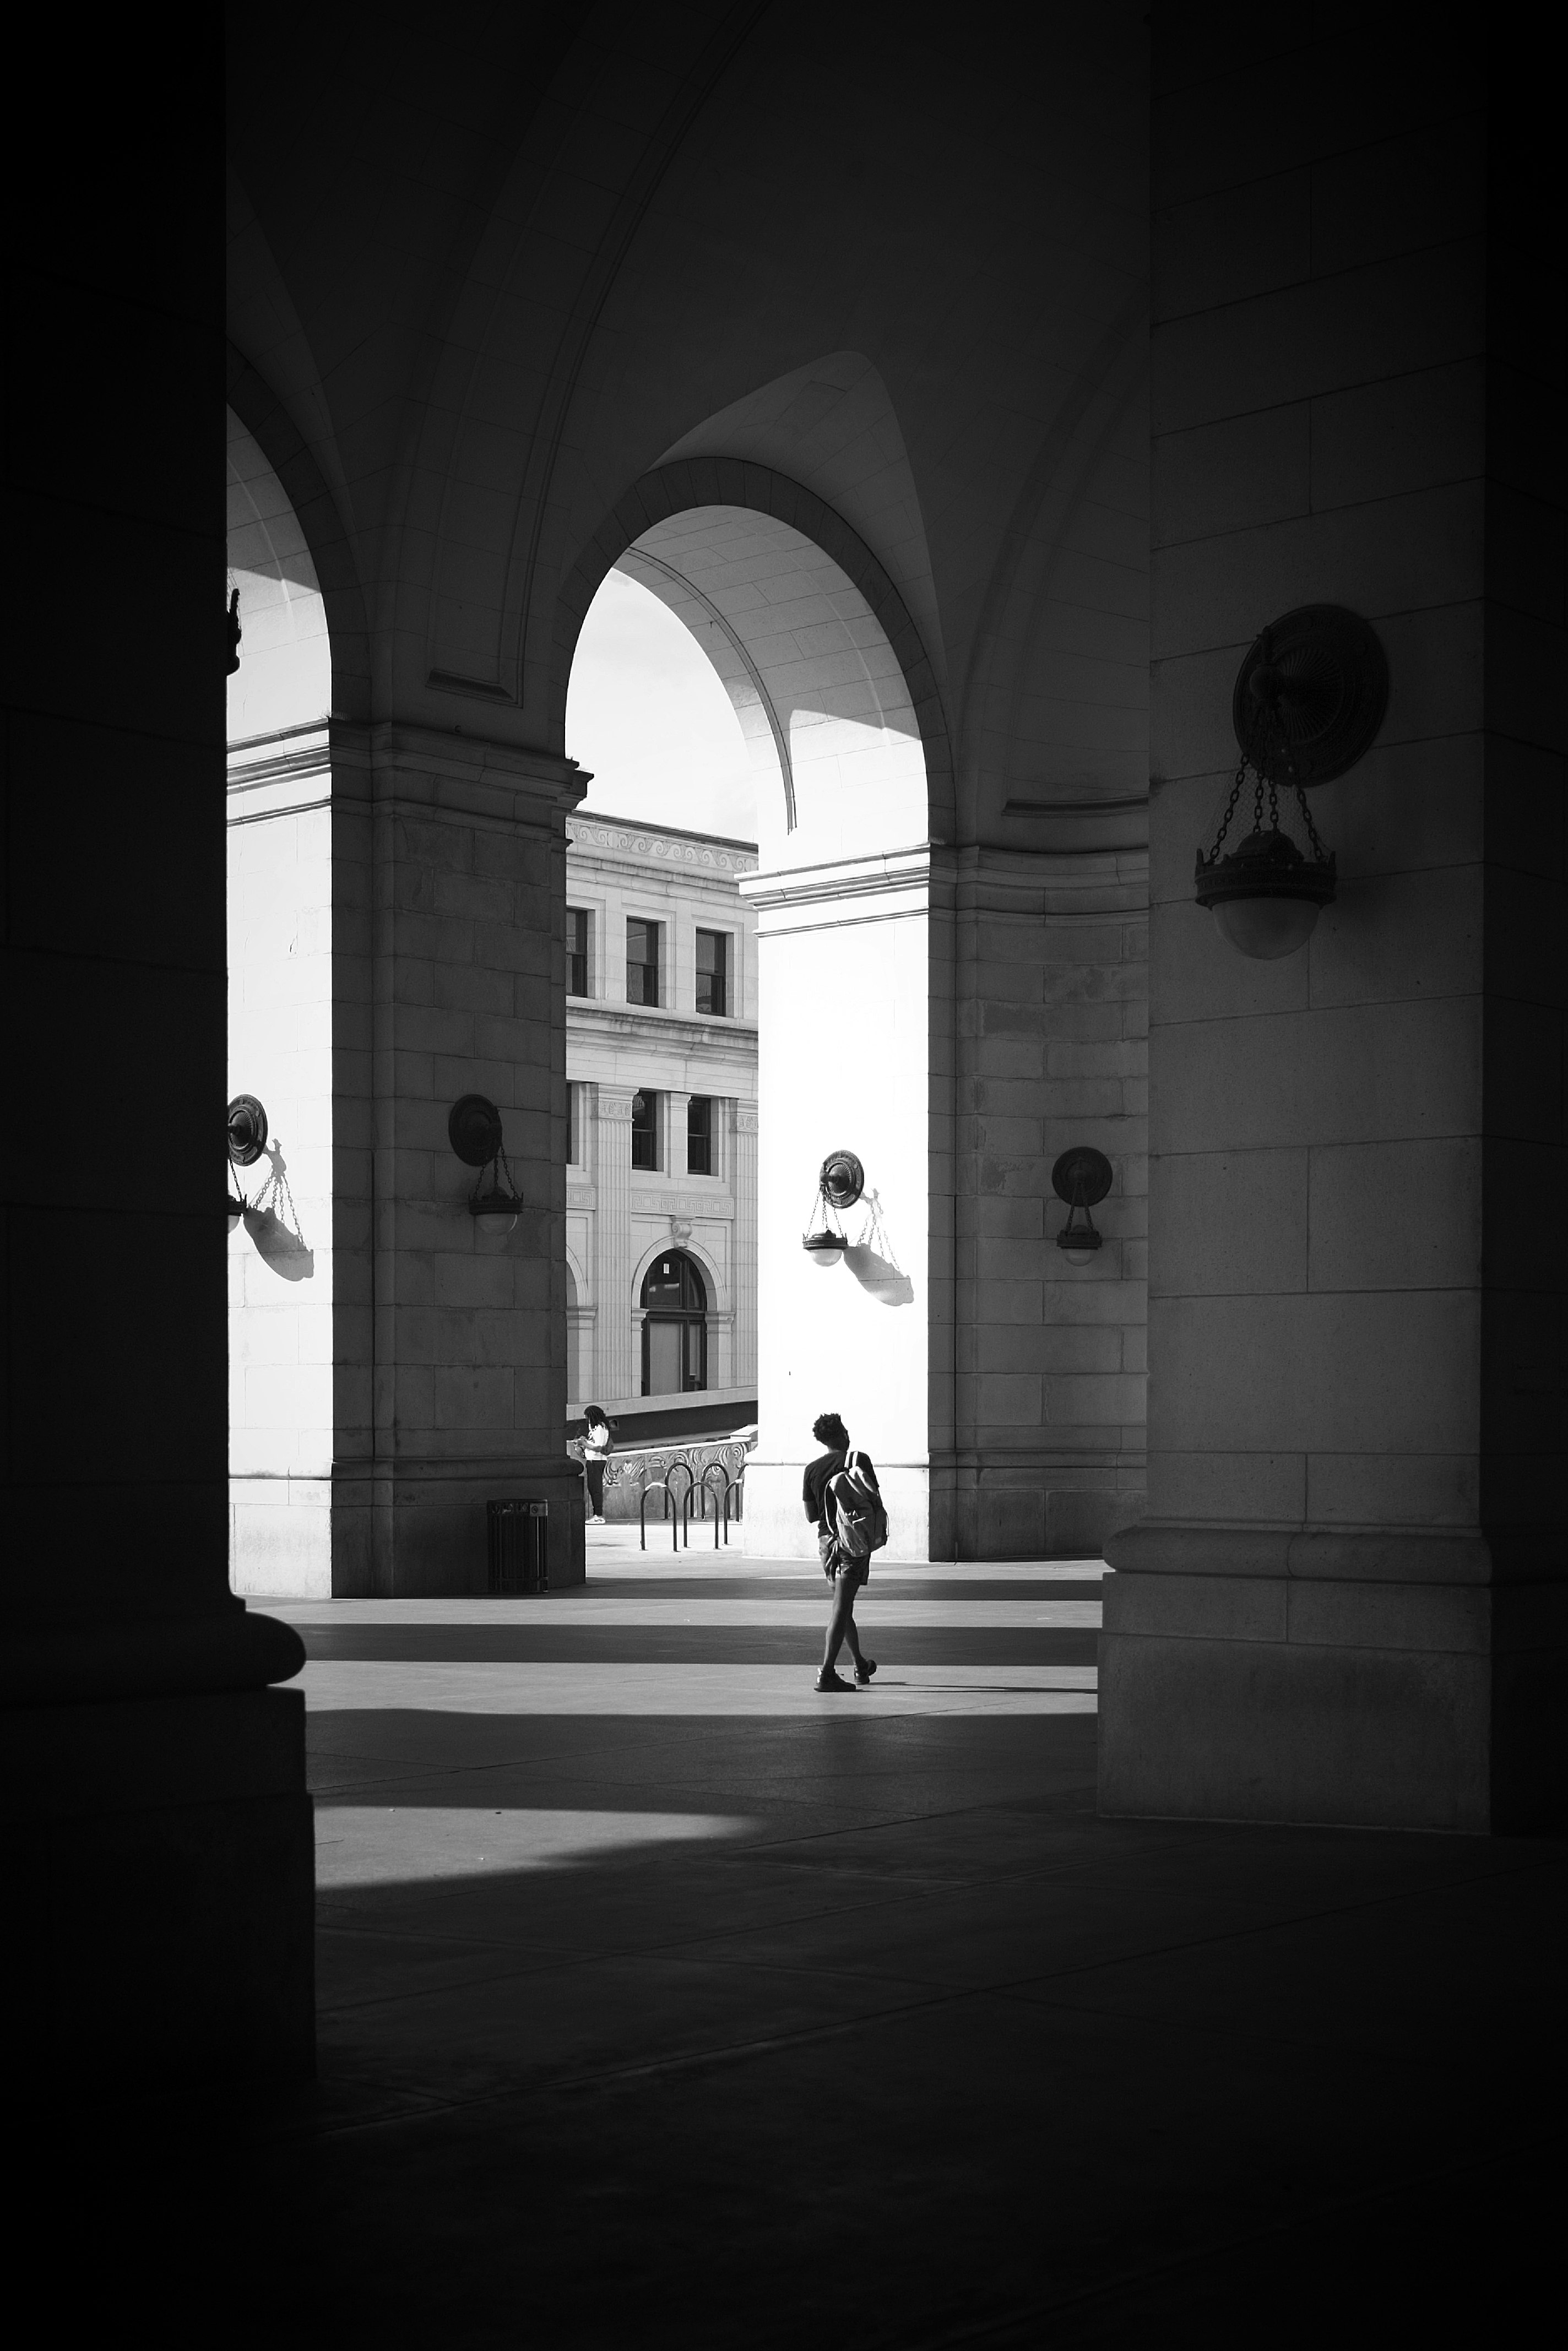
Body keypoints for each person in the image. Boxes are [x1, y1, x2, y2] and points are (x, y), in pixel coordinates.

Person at [803, 1411, 878, 1693]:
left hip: (827, 1542)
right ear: (843, 1434)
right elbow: (873, 1497)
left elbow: (811, 1515)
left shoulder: (811, 1469)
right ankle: (827, 1673)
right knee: (841, 1607)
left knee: (843, 1606)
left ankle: (860, 1664)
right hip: (852, 1542)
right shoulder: (859, 1460)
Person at [582, 1407, 612, 1523]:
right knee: (592, 1487)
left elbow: (598, 1447)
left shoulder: (600, 1428)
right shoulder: (597, 1428)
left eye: (588, 1417)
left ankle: (598, 1515)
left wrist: (584, 1443)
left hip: (596, 1461)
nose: (587, 1420)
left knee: (595, 1488)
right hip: (593, 1460)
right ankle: (597, 1514)